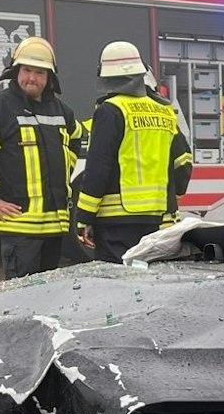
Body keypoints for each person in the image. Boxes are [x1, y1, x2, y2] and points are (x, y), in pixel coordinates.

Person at [0, 36, 84, 278]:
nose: (32, 78)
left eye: (39, 72)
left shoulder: (61, 110)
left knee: (49, 295)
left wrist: (63, 172)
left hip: (54, 225)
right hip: (20, 228)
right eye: (27, 70)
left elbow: (76, 137)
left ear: (50, 77)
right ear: (16, 71)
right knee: (20, 297)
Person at [71, 41, 193, 263]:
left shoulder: (110, 110)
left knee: (116, 286)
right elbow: (183, 162)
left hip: (115, 223)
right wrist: (174, 196)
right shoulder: (164, 111)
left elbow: (98, 168)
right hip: (155, 219)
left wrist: (84, 217)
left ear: (105, 76)